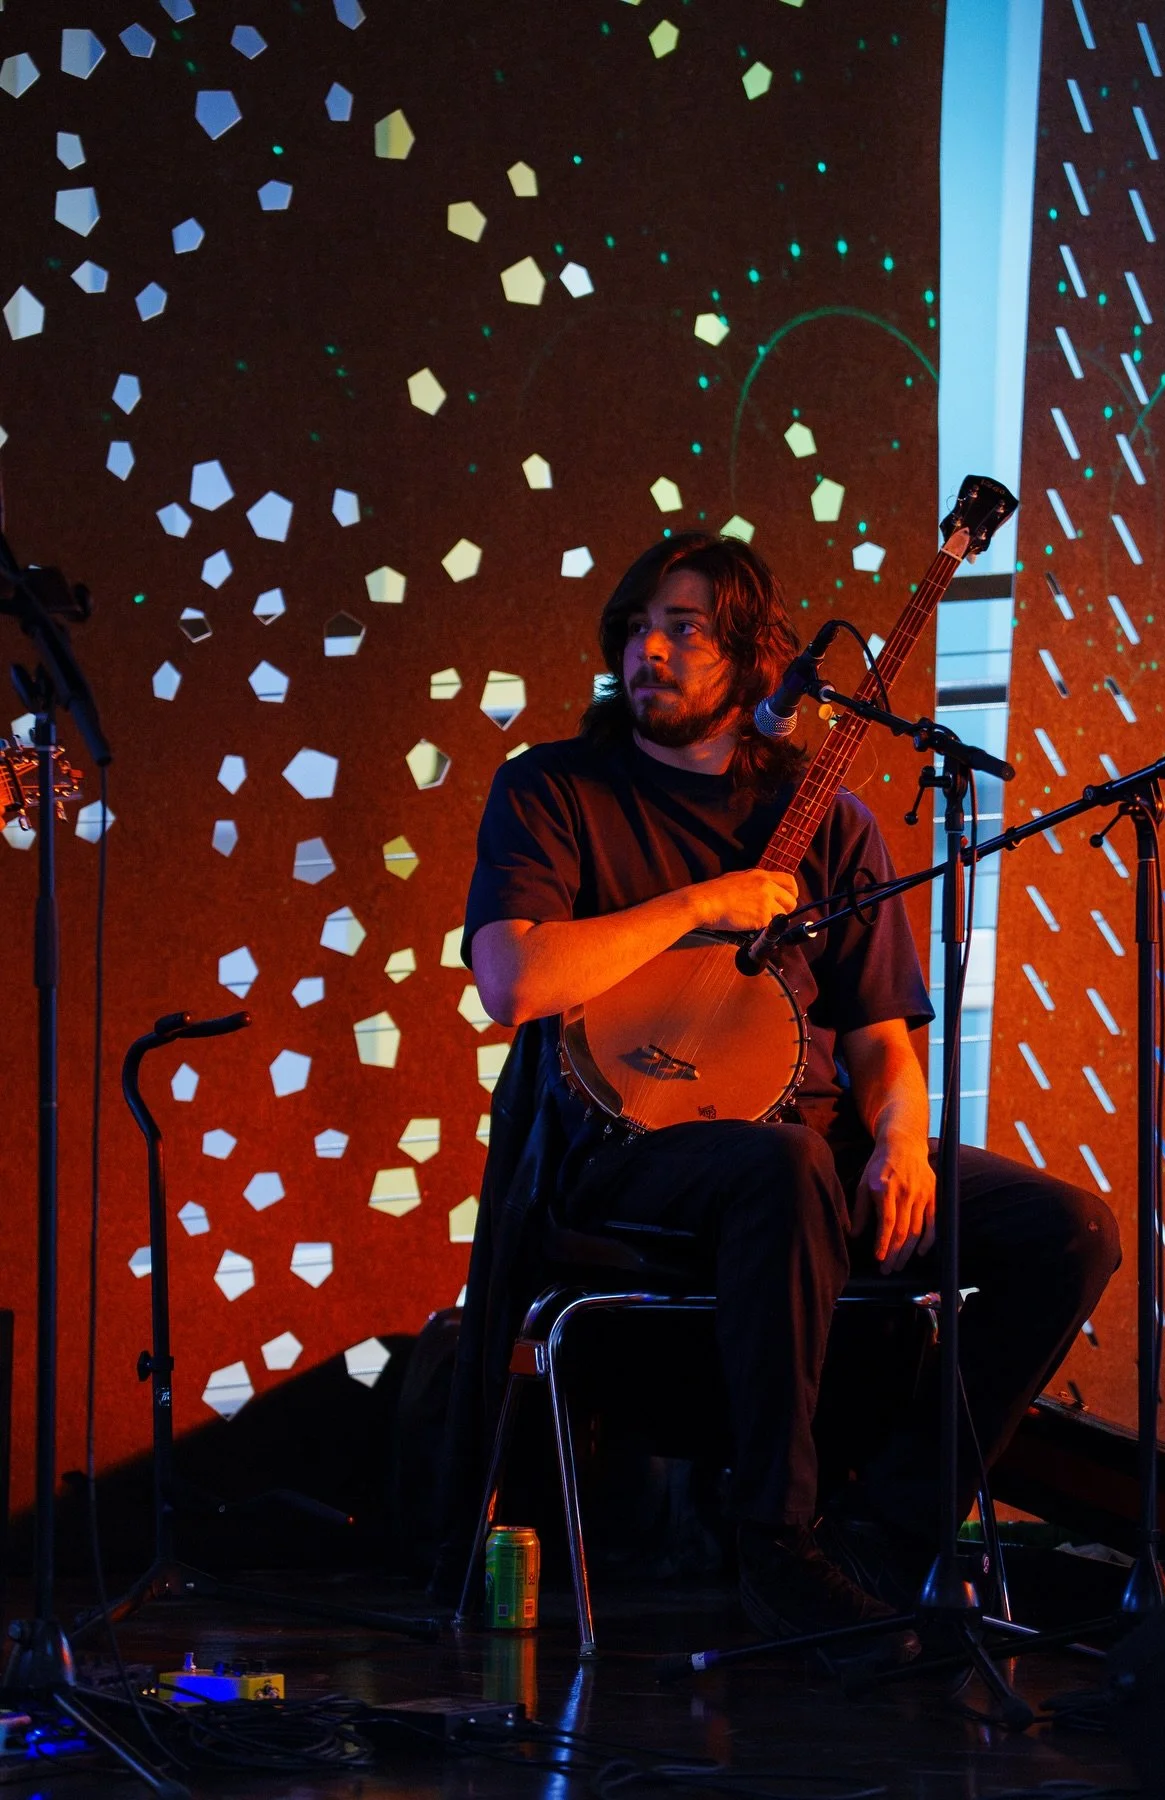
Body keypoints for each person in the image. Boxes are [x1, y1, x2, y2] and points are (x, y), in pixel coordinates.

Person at [462, 532, 1120, 1644]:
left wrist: (903, 1144)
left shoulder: (834, 827)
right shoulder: (554, 789)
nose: (650, 651)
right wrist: (697, 904)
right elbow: (511, 980)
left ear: (760, 665)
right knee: (787, 1165)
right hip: (636, 1153)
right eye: (637, 627)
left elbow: (879, 1044)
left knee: (1071, 1230)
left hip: (813, 1150)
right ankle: (776, 1540)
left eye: (684, 629)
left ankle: (883, 1535)